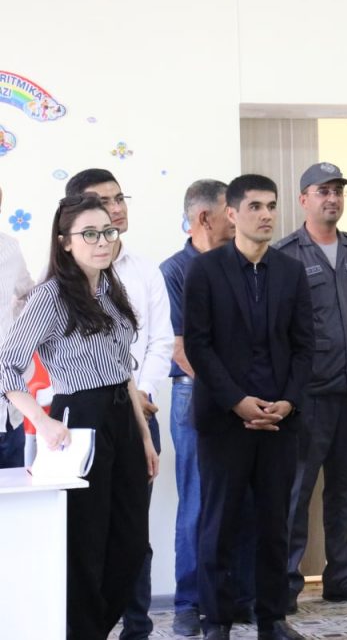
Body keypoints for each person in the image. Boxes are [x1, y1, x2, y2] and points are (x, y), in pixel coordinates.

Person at [0, 194, 159, 639]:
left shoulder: (111, 289)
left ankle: (94, 629)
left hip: (122, 415)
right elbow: (7, 365)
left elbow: (123, 368)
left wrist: (144, 437)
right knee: (85, 543)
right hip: (78, 418)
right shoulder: (50, 296)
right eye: (89, 234)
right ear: (65, 242)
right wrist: (43, 420)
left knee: (130, 543)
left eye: (108, 231)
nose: (102, 241)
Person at [184, 174, 313, 640]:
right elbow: (198, 346)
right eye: (255, 206)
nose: (266, 215)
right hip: (225, 420)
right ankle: (217, 620)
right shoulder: (205, 270)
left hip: (279, 420)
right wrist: (238, 402)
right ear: (232, 214)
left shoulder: (291, 271)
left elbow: (304, 346)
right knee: (219, 523)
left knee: (274, 524)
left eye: (271, 206)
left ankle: (272, 617)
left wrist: (288, 402)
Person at [276, 162, 347, 609]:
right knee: (297, 489)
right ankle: (284, 583)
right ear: (303, 199)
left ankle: (342, 577)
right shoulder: (286, 254)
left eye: (338, 191)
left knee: (346, 490)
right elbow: (277, 330)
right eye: (323, 191)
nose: (332, 199)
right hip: (307, 396)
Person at [65, 168, 174, 640]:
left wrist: (142, 395)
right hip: (83, 422)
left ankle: (137, 627)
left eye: (118, 198)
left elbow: (160, 340)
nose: (114, 209)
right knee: (87, 536)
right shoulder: (61, 284)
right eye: (101, 202)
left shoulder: (143, 270)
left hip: (137, 413)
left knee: (133, 534)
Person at [161, 179, 257, 637]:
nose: (237, 218)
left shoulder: (240, 264)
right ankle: (189, 602)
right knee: (198, 501)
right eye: (229, 210)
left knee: (242, 498)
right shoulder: (174, 271)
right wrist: (231, 393)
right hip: (196, 396)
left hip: (243, 400)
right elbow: (181, 349)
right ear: (205, 218)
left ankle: (238, 598)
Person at [0, 184, 34, 469]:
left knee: (15, 491)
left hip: (9, 412)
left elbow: (29, 294)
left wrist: (18, 331)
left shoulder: (9, 247)